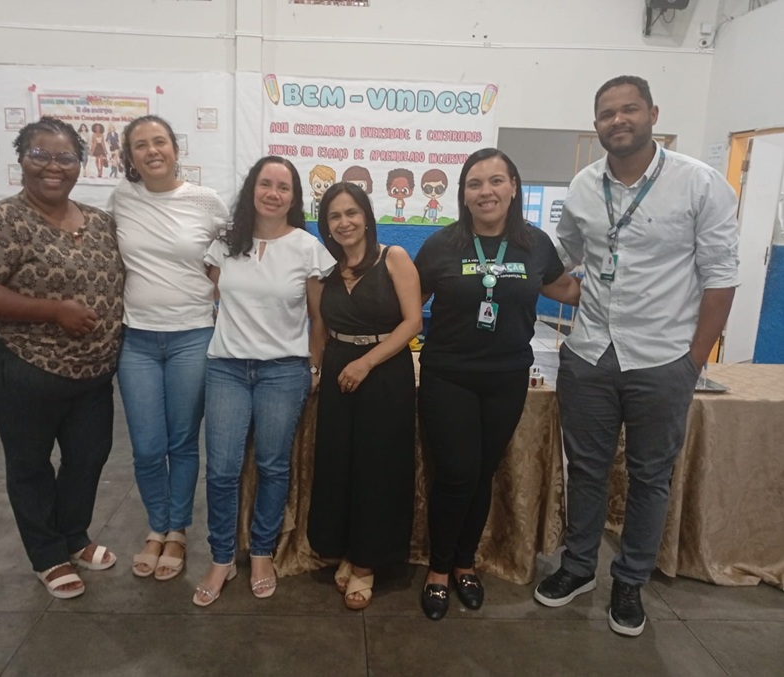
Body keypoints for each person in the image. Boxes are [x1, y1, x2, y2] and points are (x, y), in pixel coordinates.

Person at [533, 75, 739, 637]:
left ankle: (629, 581)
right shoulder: (583, 186)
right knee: (586, 469)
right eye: (607, 113)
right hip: (589, 354)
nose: (618, 120)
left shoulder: (699, 184)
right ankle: (579, 567)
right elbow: (564, 257)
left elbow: (721, 278)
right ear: (596, 124)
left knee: (650, 476)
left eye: (629, 109)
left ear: (653, 113)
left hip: (663, 358)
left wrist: (693, 361)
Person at [0, 116, 124, 599]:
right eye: (40, 155)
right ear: (22, 160)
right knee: (30, 462)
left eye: (65, 157)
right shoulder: (2, 221)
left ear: (80, 165)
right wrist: (53, 311)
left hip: (92, 371)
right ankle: (47, 554)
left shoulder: (99, 222)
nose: (53, 166)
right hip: (21, 365)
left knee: (89, 455)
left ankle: (73, 535)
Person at [413, 148, 581, 621]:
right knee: (455, 474)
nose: (485, 191)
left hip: (506, 379)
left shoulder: (535, 244)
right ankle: (439, 569)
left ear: (513, 187)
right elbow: (409, 301)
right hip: (448, 376)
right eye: (474, 183)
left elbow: (565, 289)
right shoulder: (441, 245)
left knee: (482, 472)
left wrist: (624, 284)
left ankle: (465, 563)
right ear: (463, 194)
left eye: (495, 181)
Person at [192, 156, 336, 607]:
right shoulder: (224, 245)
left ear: (294, 198)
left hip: (283, 372)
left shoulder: (308, 248)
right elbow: (216, 294)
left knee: (274, 466)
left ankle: (261, 552)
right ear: (252, 189)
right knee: (222, 469)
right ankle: (221, 557)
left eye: (283, 187)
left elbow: (319, 319)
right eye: (265, 183)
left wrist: (314, 366)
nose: (273, 193)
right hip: (227, 369)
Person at [108, 115, 229, 582]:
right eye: (140, 145)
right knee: (145, 446)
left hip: (192, 335)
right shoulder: (121, 198)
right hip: (137, 339)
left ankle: (176, 531)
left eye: (159, 141)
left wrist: (219, 291)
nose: (152, 150)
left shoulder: (206, 201)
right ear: (130, 156)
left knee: (181, 442)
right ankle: (155, 526)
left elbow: (232, 254)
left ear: (176, 149)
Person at [307, 182, 421, 610]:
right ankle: (348, 549)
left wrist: (366, 363)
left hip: (384, 373)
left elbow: (412, 322)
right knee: (340, 465)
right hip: (338, 371)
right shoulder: (327, 270)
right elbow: (320, 327)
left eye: (351, 212)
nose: (344, 222)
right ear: (326, 225)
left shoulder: (394, 257)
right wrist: (315, 370)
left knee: (378, 468)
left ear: (367, 217)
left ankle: (368, 562)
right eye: (334, 216)